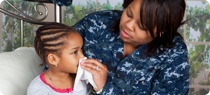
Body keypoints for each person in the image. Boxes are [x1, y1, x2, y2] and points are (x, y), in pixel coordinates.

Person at [72, 0, 190, 94]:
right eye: (129, 13)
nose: (128, 25)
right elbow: (56, 54)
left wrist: (104, 89)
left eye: (142, 26)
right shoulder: (95, 23)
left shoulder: (174, 54)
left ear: (162, 30)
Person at [27, 23, 92, 95]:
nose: (83, 57)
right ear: (53, 59)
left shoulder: (83, 79)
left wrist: (99, 87)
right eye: (75, 52)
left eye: (81, 50)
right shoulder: (39, 89)